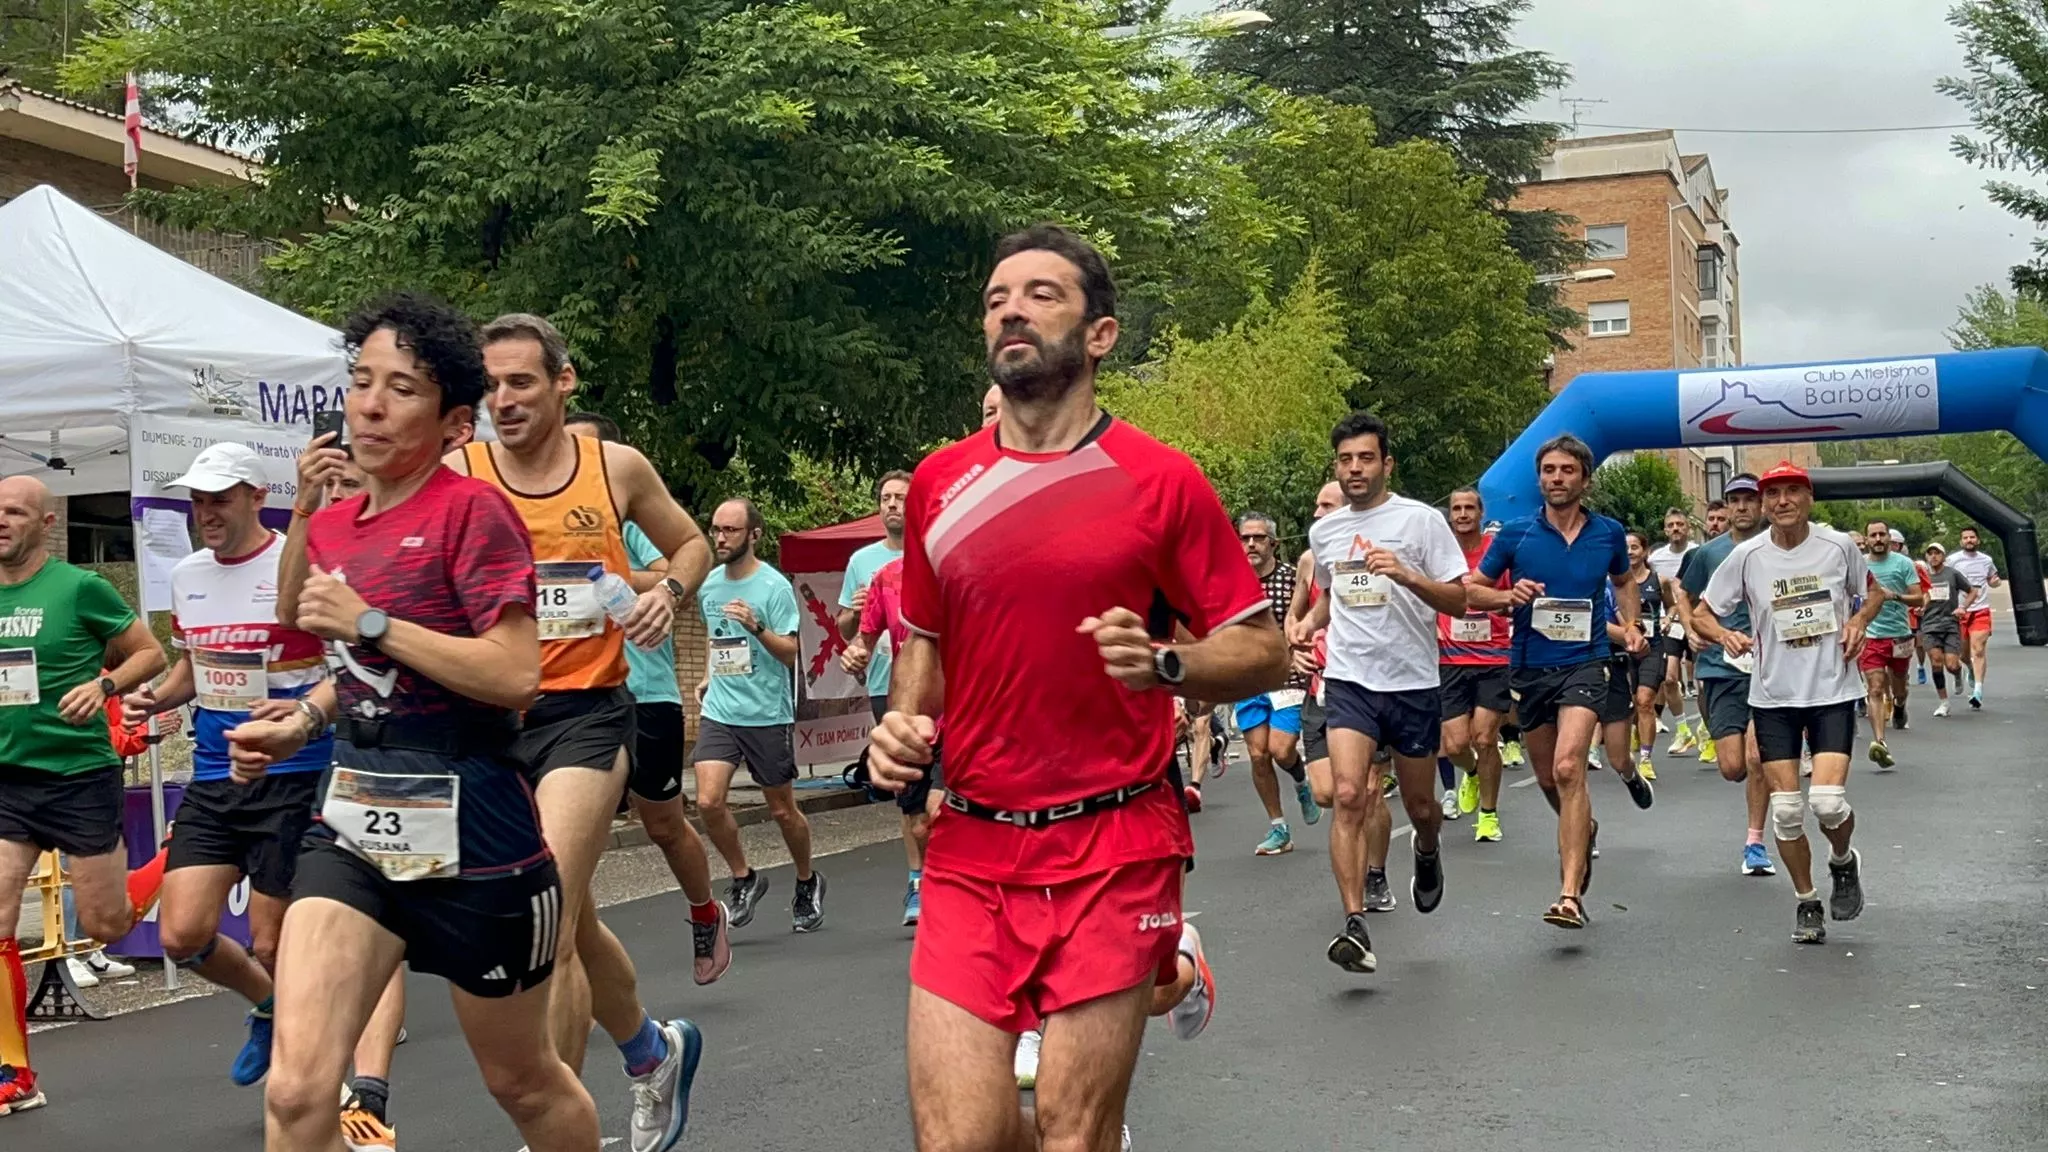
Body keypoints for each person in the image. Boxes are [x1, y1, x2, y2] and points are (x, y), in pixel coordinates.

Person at [866, 224, 1285, 1152]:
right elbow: (925, 646)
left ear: (1100, 335)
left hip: (1116, 839)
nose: (1011, 308)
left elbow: (1264, 653)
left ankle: (1165, 959)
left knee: (1072, 1129)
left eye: (1041, 294)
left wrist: (1166, 664)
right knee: (960, 1140)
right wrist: (902, 722)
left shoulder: (1161, 482)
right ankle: (1171, 965)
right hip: (973, 841)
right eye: (995, 298)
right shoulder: (940, 482)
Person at [257, 293, 613, 1152]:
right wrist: (302, 721)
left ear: (456, 423)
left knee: (523, 1084)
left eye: (402, 389)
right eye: (361, 382)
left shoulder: (471, 515)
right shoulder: (340, 524)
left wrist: (372, 623)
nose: (371, 405)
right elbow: (310, 629)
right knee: (298, 1093)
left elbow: (514, 674)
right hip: (356, 815)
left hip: (476, 823)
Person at [435, 312, 709, 1152]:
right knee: (577, 915)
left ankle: (549, 1131)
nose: (504, 400)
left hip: (584, 716)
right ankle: (651, 1053)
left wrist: (667, 589)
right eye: (490, 386)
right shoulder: (458, 468)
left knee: (542, 922)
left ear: (565, 381)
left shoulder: (613, 466)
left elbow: (691, 542)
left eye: (522, 382)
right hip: (486, 723)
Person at [117, 442, 334, 1089]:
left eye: (220, 498)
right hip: (214, 775)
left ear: (254, 498)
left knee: (273, 941)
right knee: (181, 934)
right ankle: (269, 1007)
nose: (206, 512)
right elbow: (192, 668)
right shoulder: (189, 575)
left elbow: (342, 672)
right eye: (198, 500)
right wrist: (150, 700)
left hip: (291, 773)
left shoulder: (295, 564)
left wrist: (300, 719)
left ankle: (311, 1075)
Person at [0, 475, 169, 1117]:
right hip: (9, 777)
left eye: (15, 512)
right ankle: (12, 1072)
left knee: (105, 925)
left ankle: (172, 859)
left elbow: (148, 655)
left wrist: (105, 686)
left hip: (77, 776)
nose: (1, 521)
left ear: (46, 524)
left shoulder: (81, 588)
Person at [1290, 411, 1468, 973]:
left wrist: (1407, 575)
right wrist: (1307, 623)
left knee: (1420, 805)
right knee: (1348, 795)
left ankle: (1427, 848)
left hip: (1412, 682)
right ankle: (1354, 923)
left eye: (1366, 458)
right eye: (1345, 460)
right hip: (1348, 679)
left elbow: (1459, 601)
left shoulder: (1420, 522)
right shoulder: (1325, 532)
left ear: (1386, 463)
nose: (1355, 468)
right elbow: (1331, 596)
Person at [563, 411, 731, 985]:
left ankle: (706, 911)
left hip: (647, 693)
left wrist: (612, 576)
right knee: (570, 836)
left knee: (663, 825)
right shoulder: (545, 519)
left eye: (587, 450)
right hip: (577, 698)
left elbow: (675, 568)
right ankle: (568, 951)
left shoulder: (627, 522)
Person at [1469, 434, 1652, 931]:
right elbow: (1472, 590)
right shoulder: (1515, 535)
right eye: (1548, 470)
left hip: (1587, 662)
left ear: (1585, 479)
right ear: (1539, 478)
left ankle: (1570, 893)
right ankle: (1581, 825)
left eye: (1566, 470)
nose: (1556, 478)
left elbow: (1623, 581)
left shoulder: (1609, 532)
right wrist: (1510, 596)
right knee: (1550, 777)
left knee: (1571, 767)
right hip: (1531, 667)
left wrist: (1631, 625)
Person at [1697, 462, 1880, 944]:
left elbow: (1874, 593)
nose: (1781, 501)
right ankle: (1807, 902)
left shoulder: (1838, 546)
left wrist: (1859, 621)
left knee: (1827, 801)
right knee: (1786, 812)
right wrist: (1724, 635)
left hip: (1832, 690)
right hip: (1774, 696)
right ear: (1762, 503)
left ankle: (1843, 861)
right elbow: (1701, 612)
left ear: (1808, 498)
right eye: (1772, 493)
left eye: (1791, 491)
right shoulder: (1747, 556)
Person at [691, 498, 821, 932]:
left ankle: (807, 880)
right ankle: (744, 877)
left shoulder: (774, 588)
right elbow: (717, 640)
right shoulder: (709, 585)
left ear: (754, 535)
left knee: (783, 811)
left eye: (730, 530)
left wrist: (756, 627)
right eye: (716, 530)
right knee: (708, 801)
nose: (721, 538)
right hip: (721, 710)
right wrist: (710, 676)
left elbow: (790, 655)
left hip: (767, 713)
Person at [1671, 474, 1779, 877]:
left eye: (1750, 499)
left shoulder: (1779, 548)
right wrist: (1692, 630)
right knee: (1732, 766)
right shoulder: (1710, 554)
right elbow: (1685, 593)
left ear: (1761, 505)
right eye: (1735, 500)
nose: (1742, 507)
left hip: (1770, 668)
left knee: (1756, 756)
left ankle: (1755, 842)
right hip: (1720, 667)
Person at [838, 471, 922, 922]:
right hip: (886, 685)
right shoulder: (866, 563)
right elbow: (850, 630)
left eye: (900, 498)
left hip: (947, 690)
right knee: (906, 786)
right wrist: (855, 623)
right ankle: (916, 882)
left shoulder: (935, 558)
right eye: (885, 497)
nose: (892, 504)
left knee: (941, 795)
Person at [1232, 511, 1318, 857]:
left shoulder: (1289, 578)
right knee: (1256, 754)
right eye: (1245, 538)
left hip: (1288, 676)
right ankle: (1278, 827)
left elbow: (1305, 620)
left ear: (1274, 544)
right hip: (1249, 679)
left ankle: (1301, 781)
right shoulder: (1232, 583)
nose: (1251, 544)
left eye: (1259, 538)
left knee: (1281, 750)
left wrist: (1300, 650)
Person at [1436, 488, 1511, 843]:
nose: (1463, 514)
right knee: (1454, 746)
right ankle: (1471, 774)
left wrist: (1493, 602)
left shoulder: (1496, 554)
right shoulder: (1438, 555)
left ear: (1481, 513)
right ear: (1450, 514)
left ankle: (1488, 815)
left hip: (1493, 657)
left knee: (1485, 737)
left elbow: (1512, 598)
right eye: (1457, 508)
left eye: (1470, 508)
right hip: (1449, 659)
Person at [1857, 521, 1923, 767]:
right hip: (1871, 636)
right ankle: (1880, 742)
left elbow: (1919, 597)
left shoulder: (1903, 564)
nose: (1877, 539)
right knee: (1875, 687)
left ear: (1889, 538)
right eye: (1872, 535)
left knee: (1899, 685)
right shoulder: (1859, 564)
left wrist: (1894, 595)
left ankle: (1900, 704)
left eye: (1881, 534)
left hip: (1900, 635)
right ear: (1866, 539)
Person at [1646, 508, 1702, 755]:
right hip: (1670, 623)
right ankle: (1682, 729)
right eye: (1671, 525)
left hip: (1697, 621)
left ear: (1688, 528)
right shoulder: (1657, 558)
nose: (1676, 529)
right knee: (1669, 678)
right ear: (1665, 530)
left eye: (1680, 524)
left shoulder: (1698, 552)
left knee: (1702, 681)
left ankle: (1707, 727)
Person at [1623, 531, 1668, 782]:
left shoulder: (1658, 580)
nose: (1630, 552)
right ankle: (1637, 735)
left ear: (1645, 551)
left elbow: (1672, 605)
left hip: (1652, 646)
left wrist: (1669, 618)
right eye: (1626, 548)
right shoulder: (1615, 582)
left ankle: (1646, 759)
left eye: (1635, 547)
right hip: (1625, 647)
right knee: (1632, 704)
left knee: (1645, 700)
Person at [1915, 542, 1975, 718]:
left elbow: (1972, 591)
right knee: (1935, 661)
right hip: (1930, 625)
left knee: (1951, 664)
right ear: (1926, 557)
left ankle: (1958, 672)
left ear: (1943, 556)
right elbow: (1920, 596)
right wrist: (1919, 607)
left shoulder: (1952, 574)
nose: (1933, 556)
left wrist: (1963, 607)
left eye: (1937, 553)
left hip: (1950, 624)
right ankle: (1944, 702)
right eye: (1930, 553)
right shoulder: (1922, 576)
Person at [1949, 526, 2000, 708]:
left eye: (1972, 537)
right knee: (1963, 655)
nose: (1969, 540)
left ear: (1978, 540)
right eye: (1965, 538)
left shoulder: (1987, 560)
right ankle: (1969, 668)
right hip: (1960, 611)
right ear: (1961, 541)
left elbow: (1993, 579)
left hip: (1981, 610)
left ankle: (1978, 691)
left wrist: (1995, 582)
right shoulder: (1953, 560)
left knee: (1978, 649)